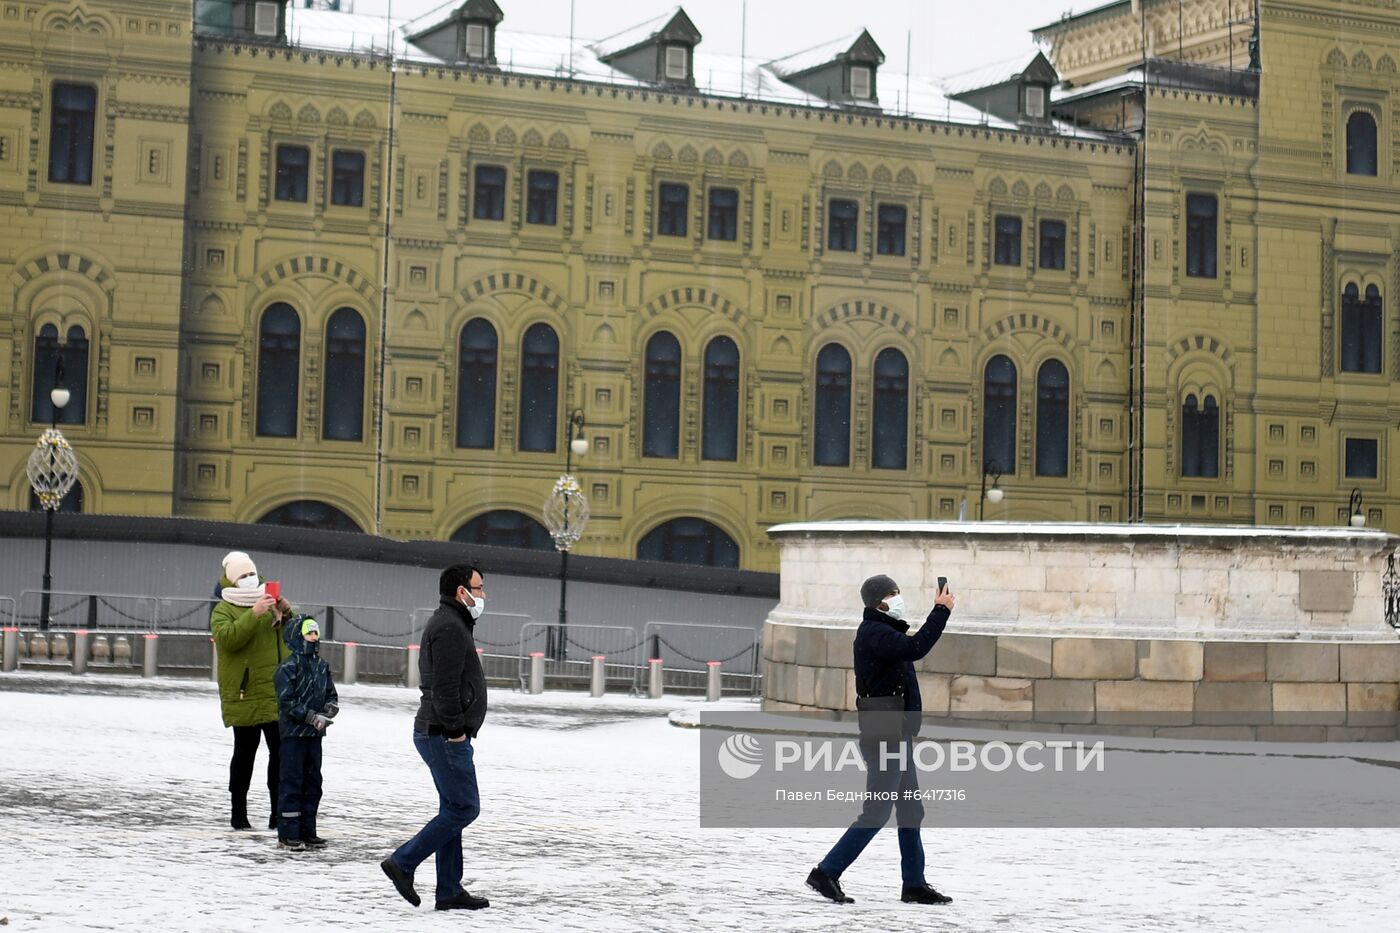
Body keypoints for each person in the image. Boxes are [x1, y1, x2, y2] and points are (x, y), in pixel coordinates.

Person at [806, 573, 956, 906]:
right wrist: (940, 611)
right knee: (876, 812)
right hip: (885, 737)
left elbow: (908, 655)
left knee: (910, 812)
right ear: (879, 602)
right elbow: (916, 648)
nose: (899, 597)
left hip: (896, 734)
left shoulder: (885, 633)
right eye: (893, 593)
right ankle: (826, 872)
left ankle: (914, 884)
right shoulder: (875, 633)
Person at [381, 563, 490, 912]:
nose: (483, 595)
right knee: (465, 807)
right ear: (462, 591)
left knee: (452, 808)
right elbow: (443, 688)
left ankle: (448, 889)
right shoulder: (449, 627)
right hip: (442, 734)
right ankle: (403, 862)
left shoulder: (454, 622)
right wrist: (457, 732)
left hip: (442, 732)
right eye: (480, 587)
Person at [210, 551, 292, 831]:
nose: (249, 579)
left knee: (280, 754)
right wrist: (253, 615)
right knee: (244, 754)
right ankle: (238, 813)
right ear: (232, 580)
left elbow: (292, 639)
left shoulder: (269, 603)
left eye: (251, 574)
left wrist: (287, 613)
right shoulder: (223, 608)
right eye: (243, 576)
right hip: (244, 693)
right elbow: (227, 639)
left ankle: (276, 812)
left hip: (274, 692)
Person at [273, 616, 338, 851]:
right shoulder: (287, 668)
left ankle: (308, 830)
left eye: (316, 633)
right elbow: (287, 702)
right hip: (293, 736)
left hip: (314, 736)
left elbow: (331, 693)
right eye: (309, 633)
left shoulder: (322, 666)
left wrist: (330, 710)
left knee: (313, 783)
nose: (314, 637)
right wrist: (310, 716)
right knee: (292, 782)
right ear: (297, 637)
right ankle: (288, 833)